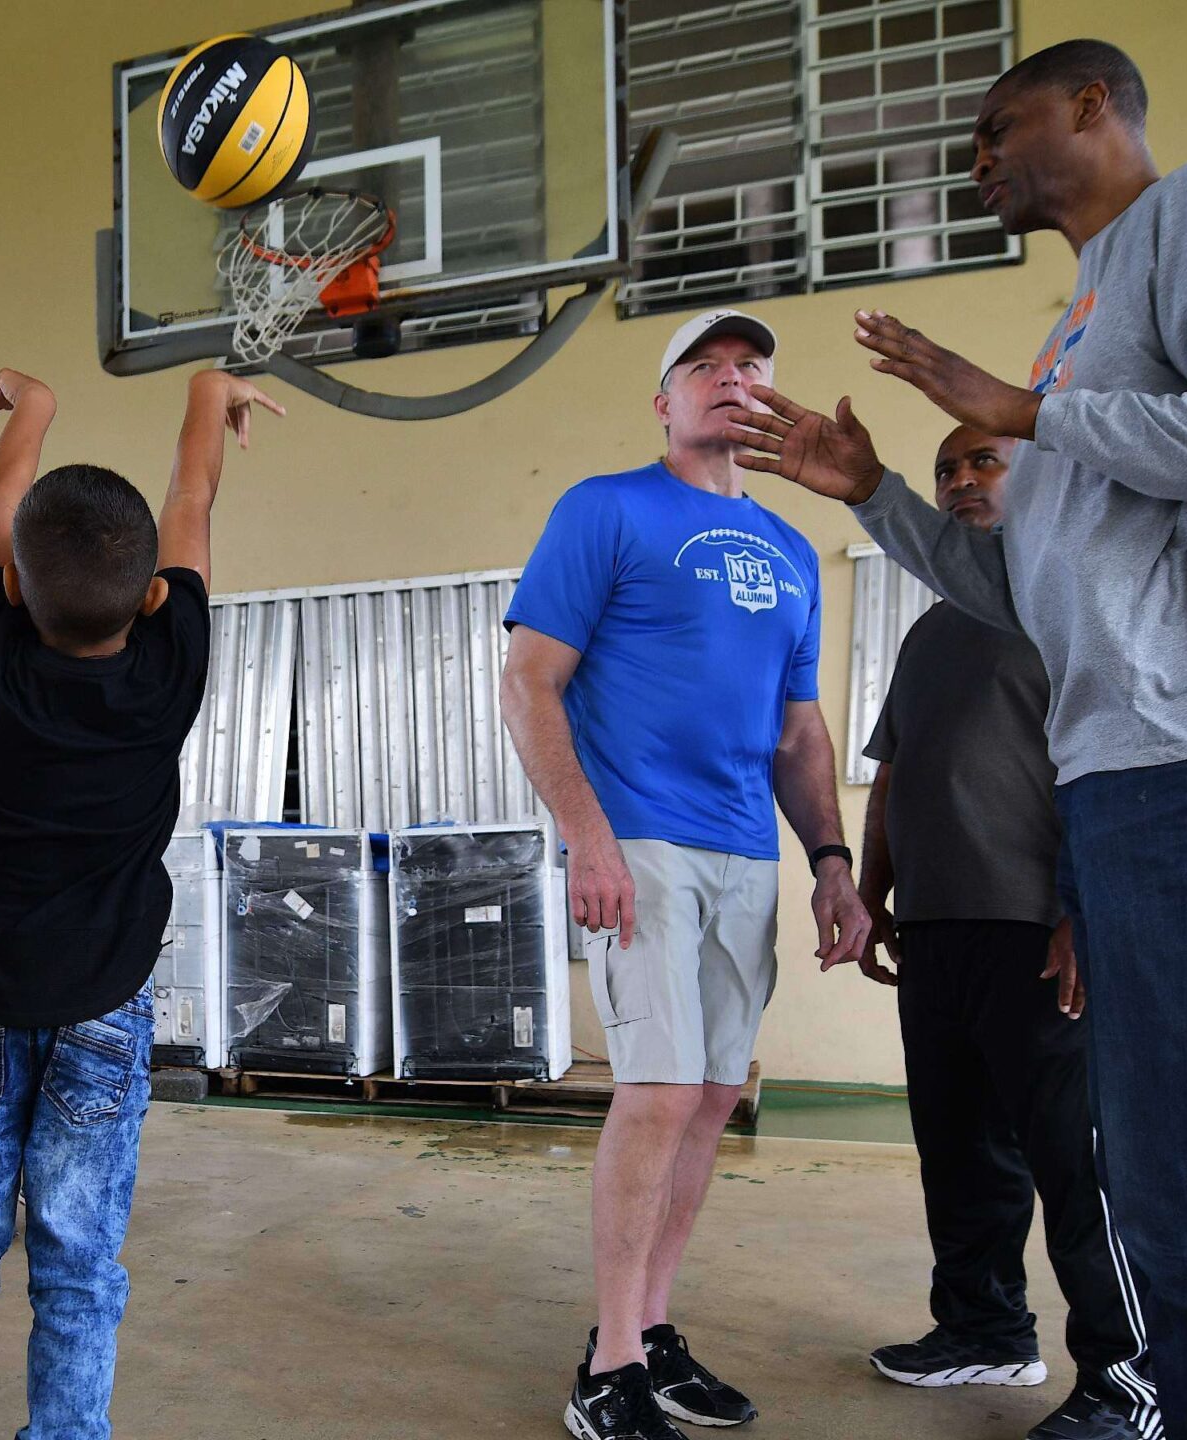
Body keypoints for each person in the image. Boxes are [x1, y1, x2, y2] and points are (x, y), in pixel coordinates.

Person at [728, 40, 1187, 1440]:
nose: (977, 160)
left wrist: (1034, 413)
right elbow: (1029, 593)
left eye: (997, 126)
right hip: (1149, 758)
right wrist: (879, 492)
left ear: (1096, 107)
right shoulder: (1084, 308)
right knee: (1157, 1166)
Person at [0, 365, 279, 1440]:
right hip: (105, 1011)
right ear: (150, 601)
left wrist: (32, 407)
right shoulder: (168, 668)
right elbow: (191, 500)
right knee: (79, 1262)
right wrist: (206, 394)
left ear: (7, 595)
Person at [502, 309, 870, 1440]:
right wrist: (588, 836)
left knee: (712, 1097)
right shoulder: (604, 509)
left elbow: (798, 733)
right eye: (702, 369)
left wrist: (830, 862)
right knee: (657, 1093)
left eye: (749, 369)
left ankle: (652, 1333)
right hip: (642, 841)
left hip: (743, 851)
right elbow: (529, 682)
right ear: (663, 403)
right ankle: (605, 1366)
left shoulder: (792, 551)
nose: (729, 381)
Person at [853, 425, 1157, 1440]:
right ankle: (983, 1328)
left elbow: (1111, 766)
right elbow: (893, 771)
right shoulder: (930, 631)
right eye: (945, 469)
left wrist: (1085, 910)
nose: (959, 481)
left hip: (1040, 932)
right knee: (960, 1150)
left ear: (1037, 481)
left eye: (983, 461)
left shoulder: (1068, 606)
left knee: (1075, 1163)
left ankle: (1128, 1374)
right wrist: (874, 892)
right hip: (938, 935)